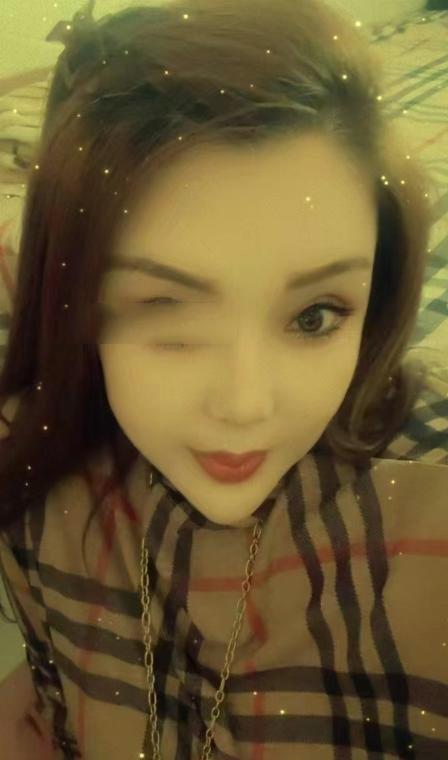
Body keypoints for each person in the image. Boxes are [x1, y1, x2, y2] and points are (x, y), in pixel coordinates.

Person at [0, 0, 447, 757]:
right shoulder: (39, 473)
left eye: (315, 316)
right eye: (165, 308)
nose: (246, 405)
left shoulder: (426, 533)